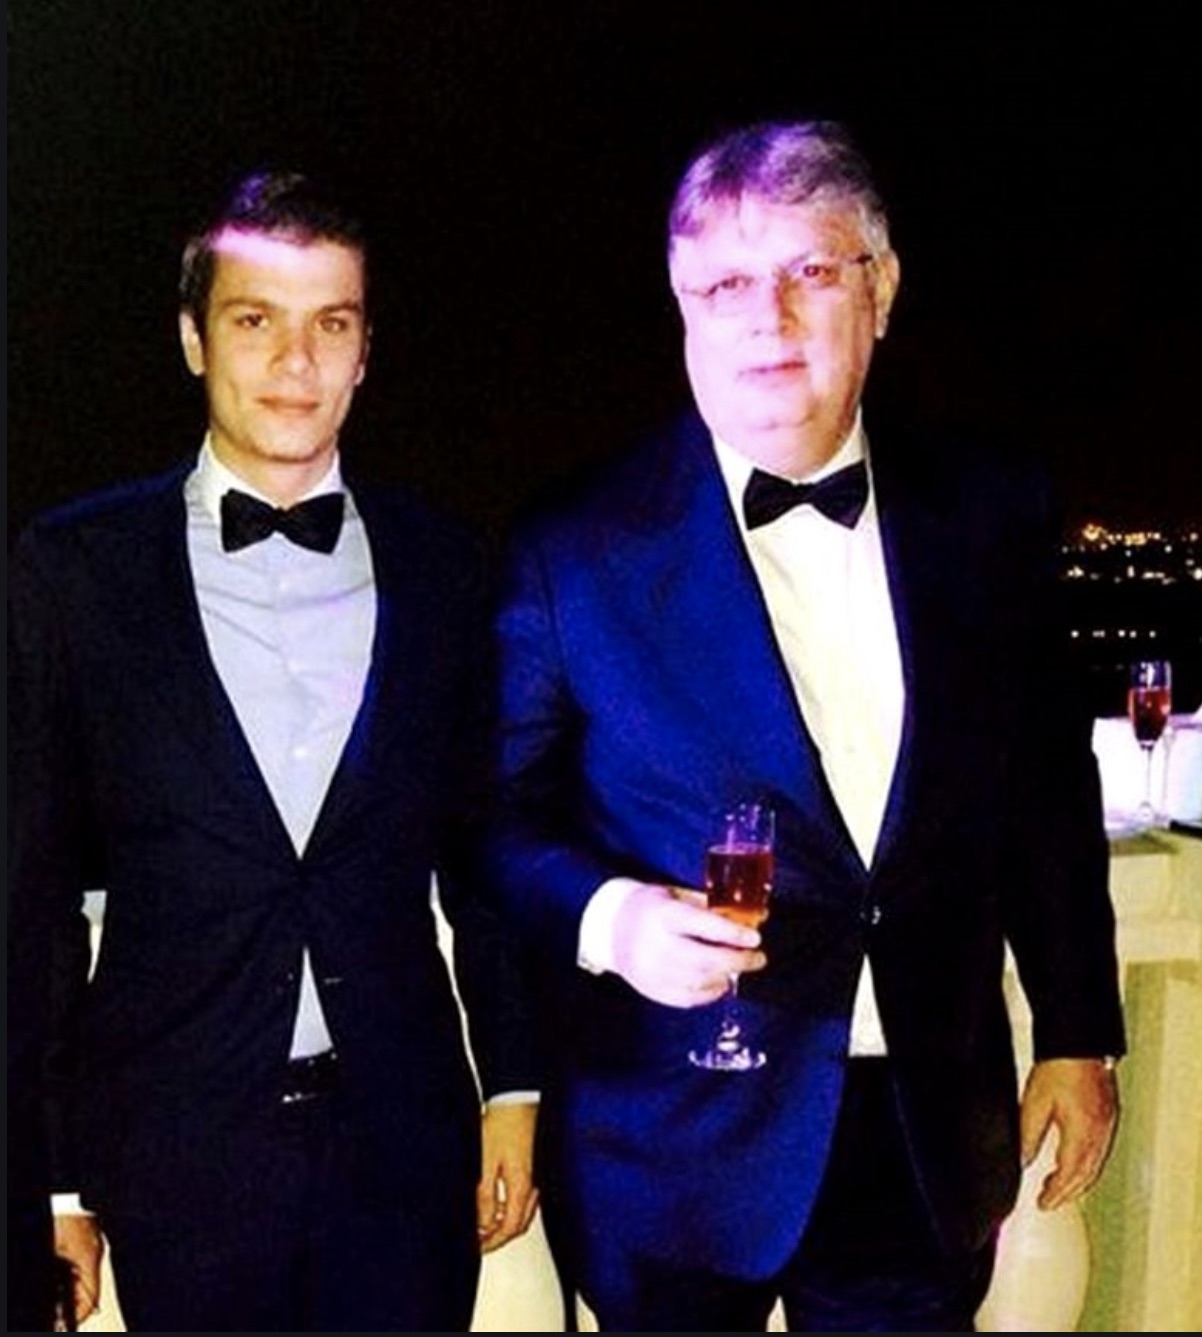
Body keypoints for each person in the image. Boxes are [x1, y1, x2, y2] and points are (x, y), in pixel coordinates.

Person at [480, 119, 1125, 1331]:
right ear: (681, 307)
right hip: (667, 1140)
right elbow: (496, 820)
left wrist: (1077, 1028)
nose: (765, 319)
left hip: (922, 1127)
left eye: (808, 271)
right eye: (724, 285)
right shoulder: (573, 546)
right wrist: (611, 919)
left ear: (879, 289)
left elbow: (1045, 789)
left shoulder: (991, 510)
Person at [8, 168, 541, 1332]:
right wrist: (51, 1180)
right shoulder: (74, 571)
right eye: (256, 320)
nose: (296, 362)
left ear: (365, 352)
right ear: (193, 338)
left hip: (405, 1149)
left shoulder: (448, 566)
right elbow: (32, 897)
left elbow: (485, 850)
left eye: (330, 324)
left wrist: (512, 1080)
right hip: (176, 1152)